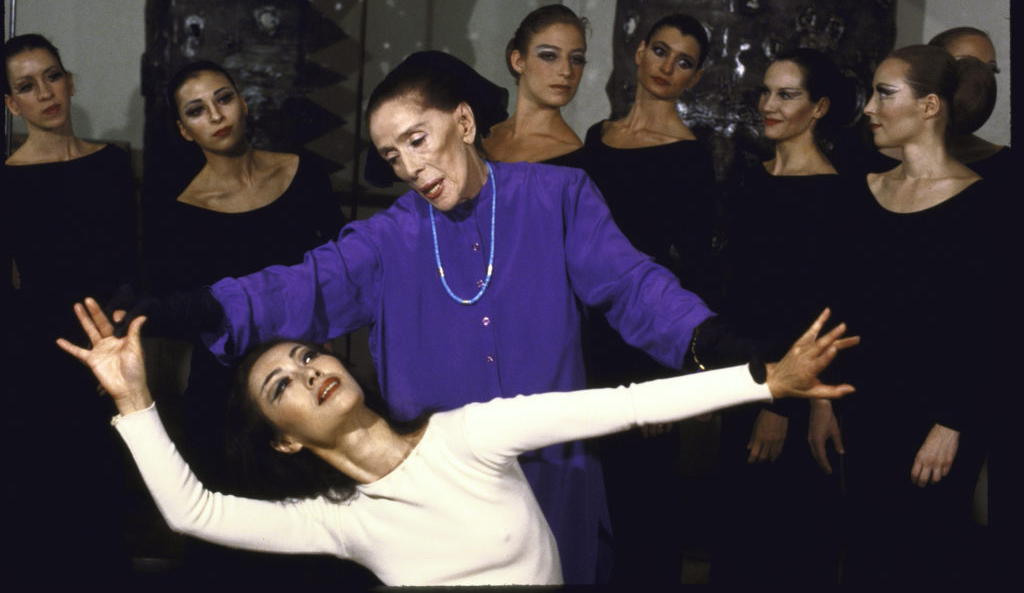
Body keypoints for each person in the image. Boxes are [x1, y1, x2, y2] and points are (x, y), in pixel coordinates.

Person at [114, 50, 786, 583]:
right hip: (433, 493)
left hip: (554, 474)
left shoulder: (557, 197)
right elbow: (301, 287)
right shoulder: (390, 238)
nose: (409, 165)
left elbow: (635, 288)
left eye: (418, 139)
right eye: (392, 156)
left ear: (463, 124)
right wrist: (185, 308)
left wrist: (714, 341)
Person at [60, 298, 858, 586]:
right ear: (284, 444)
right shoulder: (341, 522)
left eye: (308, 357)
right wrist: (133, 398)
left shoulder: (470, 436)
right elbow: (192, 511)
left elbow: (623, 402)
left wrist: (764, 382)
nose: (308, 374)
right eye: (282, 389)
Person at [147, 60, 348, 576]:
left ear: (242, 99)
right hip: (223, 398)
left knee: (318, 538)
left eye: (224, 98)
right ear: (183, 129)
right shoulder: (180, 211)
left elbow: (345, 275)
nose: (217, 115)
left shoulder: (304, 174)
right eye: (197, 110)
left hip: (307, 382)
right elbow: (180, 313)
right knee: (229, 549)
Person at [829, 45, 1004, 585]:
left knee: (928, 556)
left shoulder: (984, 204)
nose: (870, 109)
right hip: (862, 408)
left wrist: (953, 422)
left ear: (929, 106)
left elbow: (992, 330)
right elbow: (841, 305)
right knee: (861, 554)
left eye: (885, 94)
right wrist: (824, 397)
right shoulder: (862, 191)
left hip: (939, 418)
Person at [575, 13, 716, 583]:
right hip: (585, 335)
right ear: (638, 52)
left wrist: (667, 373)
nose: (667, 67)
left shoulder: (688, 155)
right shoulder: (597, 139)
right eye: (661, 51)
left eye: (683, 62)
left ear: (695, 78)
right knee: (587, 495)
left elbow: (699, 273)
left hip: (645, 344)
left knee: (644, 504)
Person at [713, 48, 856, 584]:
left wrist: (784, 407)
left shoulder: (837, 195)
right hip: (740, 383)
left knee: (789, 546)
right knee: (736, 543)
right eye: (766, 92)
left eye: (786, 95)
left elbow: (828, 311)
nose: (769, 105)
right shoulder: (752, 180)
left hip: (791, 396)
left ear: (818, 107)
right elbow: (741, 296)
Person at [1, 33, 137, 577]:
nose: (45, 93)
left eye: (52, 76)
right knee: (40, 492)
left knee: (104, 486)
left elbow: (129, 262)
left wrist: (121, 335)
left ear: (70, 81)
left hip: (107, 344)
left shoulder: (111, 164)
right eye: (26, 86)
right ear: (12, 104)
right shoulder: (6, 181)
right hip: (33, 352)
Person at [482, 4, 587, 165]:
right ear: (518, 61)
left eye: (577, 59)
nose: (566, 71)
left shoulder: (575, 157)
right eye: (549, 56)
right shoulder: (483, 137)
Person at [927, 27, 1008, 180]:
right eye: (965, 65)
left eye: (990, 69)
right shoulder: (877, 159)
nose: (980, 79)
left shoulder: (1007, 164)